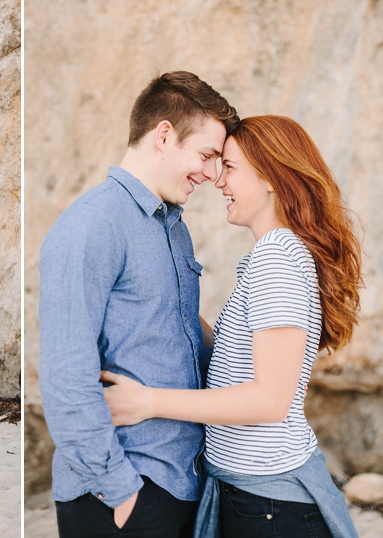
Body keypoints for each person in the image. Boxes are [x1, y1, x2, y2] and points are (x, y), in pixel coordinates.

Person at [102, 116, 362, 538]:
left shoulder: (276, 258)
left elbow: (269, 400)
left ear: (272, 176)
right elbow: (231, 354)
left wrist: (148, 401)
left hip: (272, 506)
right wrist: (165, 298)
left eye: (231, 167)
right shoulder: (276, 253)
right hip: (258, 496)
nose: (219, 181)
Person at [38, 71, 239, 537]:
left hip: (181, 484)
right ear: (164, 135)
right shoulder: (91, 226)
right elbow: (67, 375)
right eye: (206, 155)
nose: (212, 174)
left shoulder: (173, 228)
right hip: (120, 497)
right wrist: (121, 491)